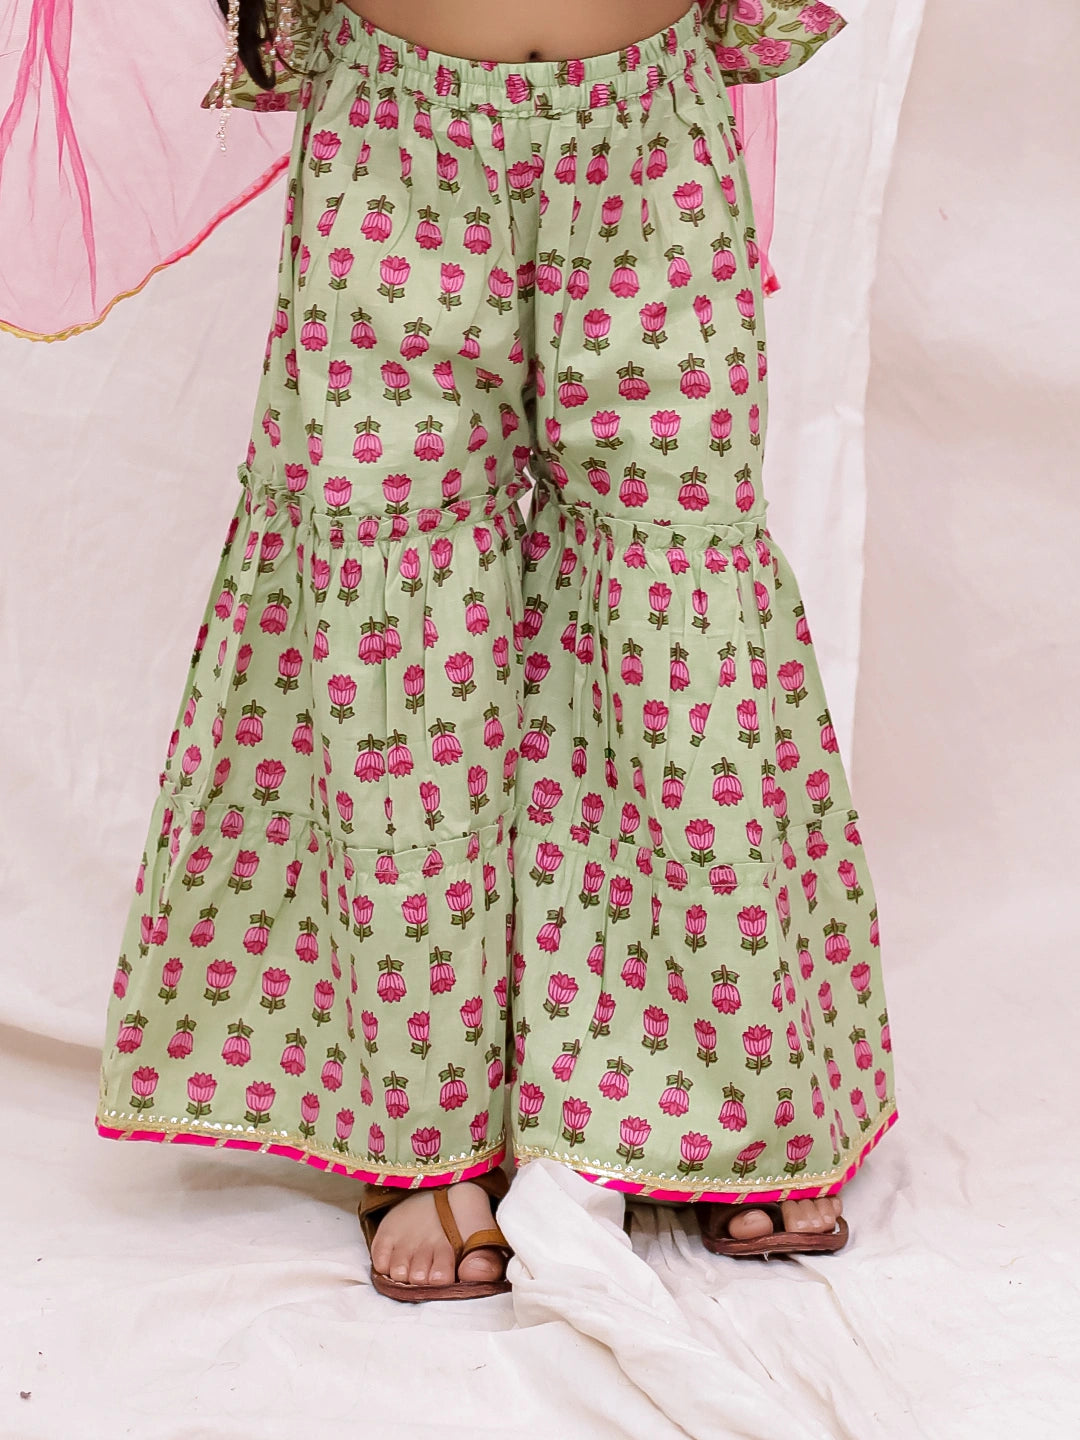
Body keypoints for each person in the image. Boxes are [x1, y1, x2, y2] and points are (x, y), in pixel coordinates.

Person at [95, 0, 899, 1301]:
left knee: (677, 585)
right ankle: (416, 1127)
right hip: (393, 129)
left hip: (648, 126)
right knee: (390, 605)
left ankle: (722, 1093)